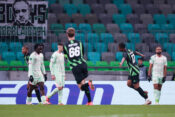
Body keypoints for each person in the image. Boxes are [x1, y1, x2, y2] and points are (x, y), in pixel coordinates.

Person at [63, 28, 94, 105]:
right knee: (84, 84)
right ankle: (90, 102)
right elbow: (82, 53)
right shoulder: (79, 43)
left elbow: (66, 57)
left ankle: (89, 84)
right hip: (83, 64)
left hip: (75, 67)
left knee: (81, 88)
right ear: (74, 34)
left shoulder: (65, 45)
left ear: (67, 34)